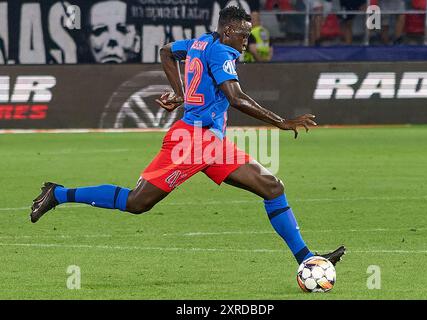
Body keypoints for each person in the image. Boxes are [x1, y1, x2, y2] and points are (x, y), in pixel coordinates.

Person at [30, 7, 345, 268]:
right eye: (243, 34)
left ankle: (307, 260)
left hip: (212, 144)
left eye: (249, 34)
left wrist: (181, 93)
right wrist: (282, 121)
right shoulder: (222, 50)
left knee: (273, 187)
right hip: (192, 142)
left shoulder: (199, 43)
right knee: (136, 202)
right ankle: (57, 194)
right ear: (227, 32)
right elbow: (236, 98)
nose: (247, 41)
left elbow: (167, 51)